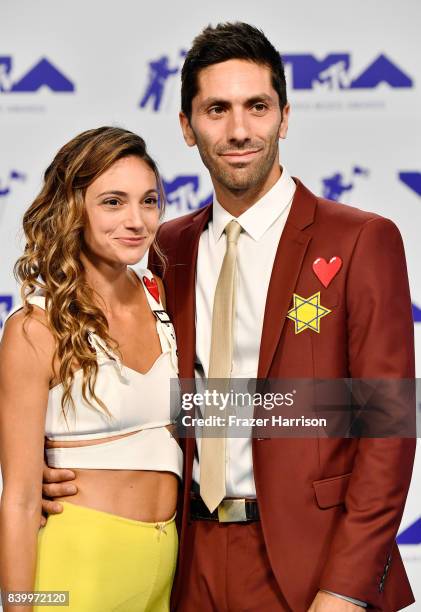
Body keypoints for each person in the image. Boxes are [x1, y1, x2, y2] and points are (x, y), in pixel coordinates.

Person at [41, 23, 416, 612]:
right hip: (183, 563)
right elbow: (144, 389)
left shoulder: (362, 239)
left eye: (257, 107)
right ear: (188, 128)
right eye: (217, 109)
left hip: (311, 568)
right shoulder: (165, 248)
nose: (239, 129)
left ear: (284, 117)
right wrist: (56, 466)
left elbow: (388, 426)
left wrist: (345, 590)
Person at [0, 127, 182, 612]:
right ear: (73, 207)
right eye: (113, 202)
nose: (137, 220)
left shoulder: (164, 299)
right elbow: (18, 499)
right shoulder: (35, 329)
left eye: (148, 201)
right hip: (79, 565)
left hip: (169, 569)